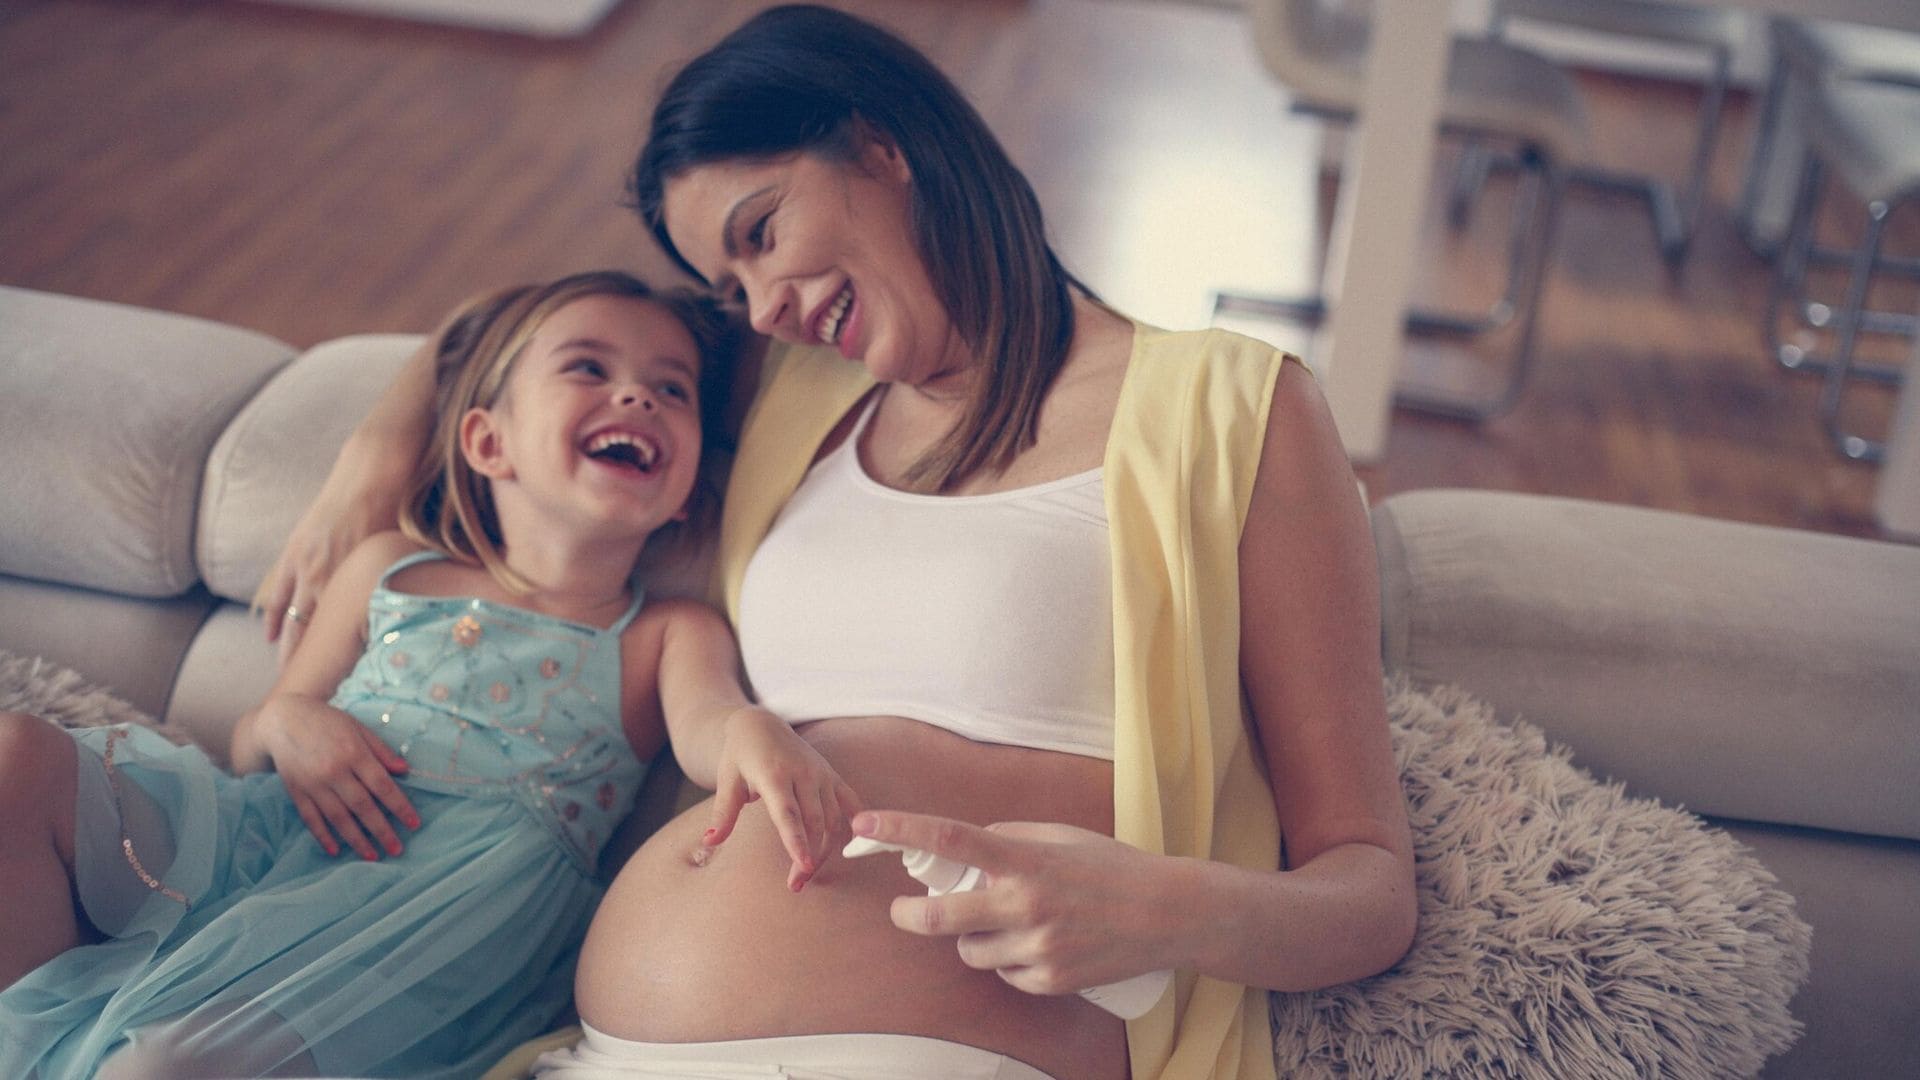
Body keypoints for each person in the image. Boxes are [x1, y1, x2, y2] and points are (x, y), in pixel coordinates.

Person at [260, 6, 1418, 1079]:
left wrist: (1158, 907)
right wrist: (369, 464)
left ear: (880, 145)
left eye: (763, 233)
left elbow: (1367, 890)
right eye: (729, 280)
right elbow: (511, 331)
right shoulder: (795, 394)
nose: (759, 305)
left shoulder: (1234, 410)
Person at [0, 269, 859, 1078]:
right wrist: (290, 724)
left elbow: (708, 723)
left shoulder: (668, 631)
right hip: (269, 837)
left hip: (438, 921)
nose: (636, 394)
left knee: (170, 1065)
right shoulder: (389, 567)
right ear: (489, 442)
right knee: (16, 753)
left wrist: (751, 730)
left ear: (683, 496)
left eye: (673, 389)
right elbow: (261, 727)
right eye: (588, 368)